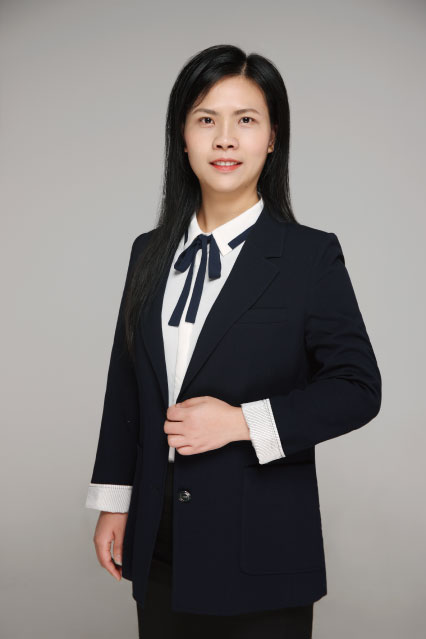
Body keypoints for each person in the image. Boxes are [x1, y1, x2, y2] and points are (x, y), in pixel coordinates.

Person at [85, 44, 382, 638]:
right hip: (159, 536)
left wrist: (241, 422)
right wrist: (115, 501)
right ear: (182, 137)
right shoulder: (148, 252)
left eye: (245, 119)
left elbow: (357, 389)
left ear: (272, 138)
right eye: (206, 119)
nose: (225, 139)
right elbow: (126, 386)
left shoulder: (309, 256)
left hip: (261, 541)